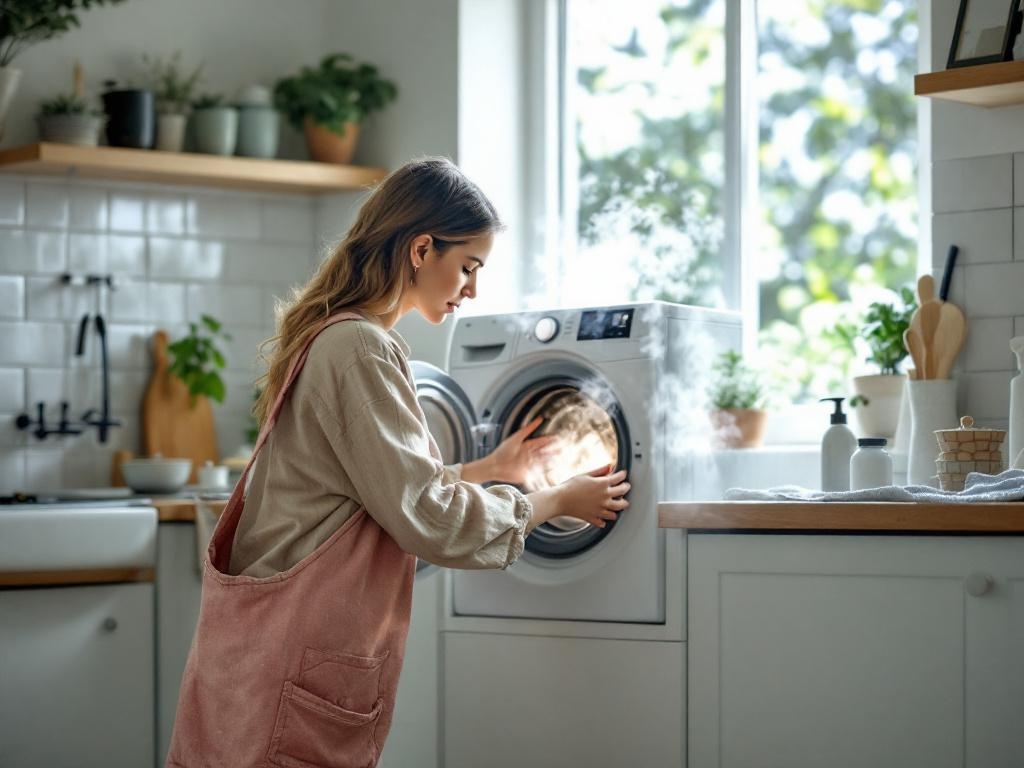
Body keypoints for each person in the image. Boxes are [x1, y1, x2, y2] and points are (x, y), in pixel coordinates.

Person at [166, 157, 630, 768]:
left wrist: (491, 469)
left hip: (253, 665)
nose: (472, 289)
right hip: (291, 665)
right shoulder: (361, 347)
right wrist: (555, 502)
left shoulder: (330, 335)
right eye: (468, 267)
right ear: (420, 248)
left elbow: (369, 491)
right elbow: (428, 518)